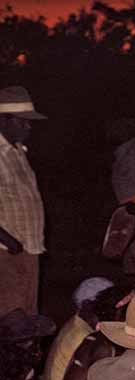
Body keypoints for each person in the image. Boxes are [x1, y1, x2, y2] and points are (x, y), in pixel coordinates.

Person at [0, 86, 47, 315]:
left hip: (29, 248)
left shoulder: (17, 150)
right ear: (4, 120)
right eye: (23, 121)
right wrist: (8, 240)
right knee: (11, 318)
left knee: (28, 316)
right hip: (6, 253)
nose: (29, 127)